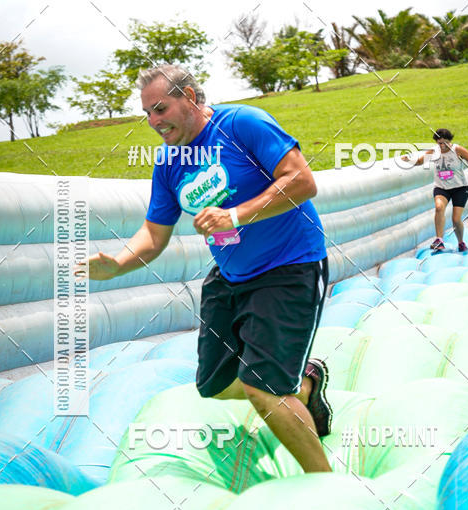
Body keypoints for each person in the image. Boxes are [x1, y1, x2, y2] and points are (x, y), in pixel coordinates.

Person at [76, 65, 333, 473]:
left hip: (290, 265)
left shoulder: (243, 124)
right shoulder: (168, 162)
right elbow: (154, 233)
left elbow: (301, 180)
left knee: (262, 387)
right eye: (147, 113)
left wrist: (236, 215)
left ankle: (327, 487)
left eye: (160, 108)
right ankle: (306, 383)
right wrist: (119, 264)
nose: (153, 121)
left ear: (191, 98)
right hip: (231, 275)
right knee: (214, 384)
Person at [413, 128, 468, 253]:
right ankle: (439, 240)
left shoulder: (457, 150)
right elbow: (419, 162)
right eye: (440, 143)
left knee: (455, 219)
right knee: (439, 208)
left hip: (460, 188)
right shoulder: (434, 151)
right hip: (442, 187)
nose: (443, 146)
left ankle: (461, 242)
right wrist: (408, 161)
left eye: (445, 143)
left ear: (450, 141)